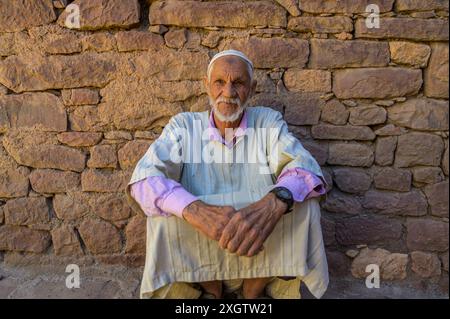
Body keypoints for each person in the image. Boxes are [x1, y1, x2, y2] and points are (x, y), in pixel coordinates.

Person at [126, 49, 329, 299]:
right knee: (161, 214)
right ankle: (212, 289)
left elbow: (305, 170)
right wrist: (196, 210)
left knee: (303, 205)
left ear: (252, 89)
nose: (229, 92)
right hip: (202, 230)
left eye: (239, 83)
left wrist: (274, 203)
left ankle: (252, 291)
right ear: (207, 86)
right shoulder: (184, 125)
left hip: (257, 231)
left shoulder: (267, 121)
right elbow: (145, 179)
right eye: (220, 82)